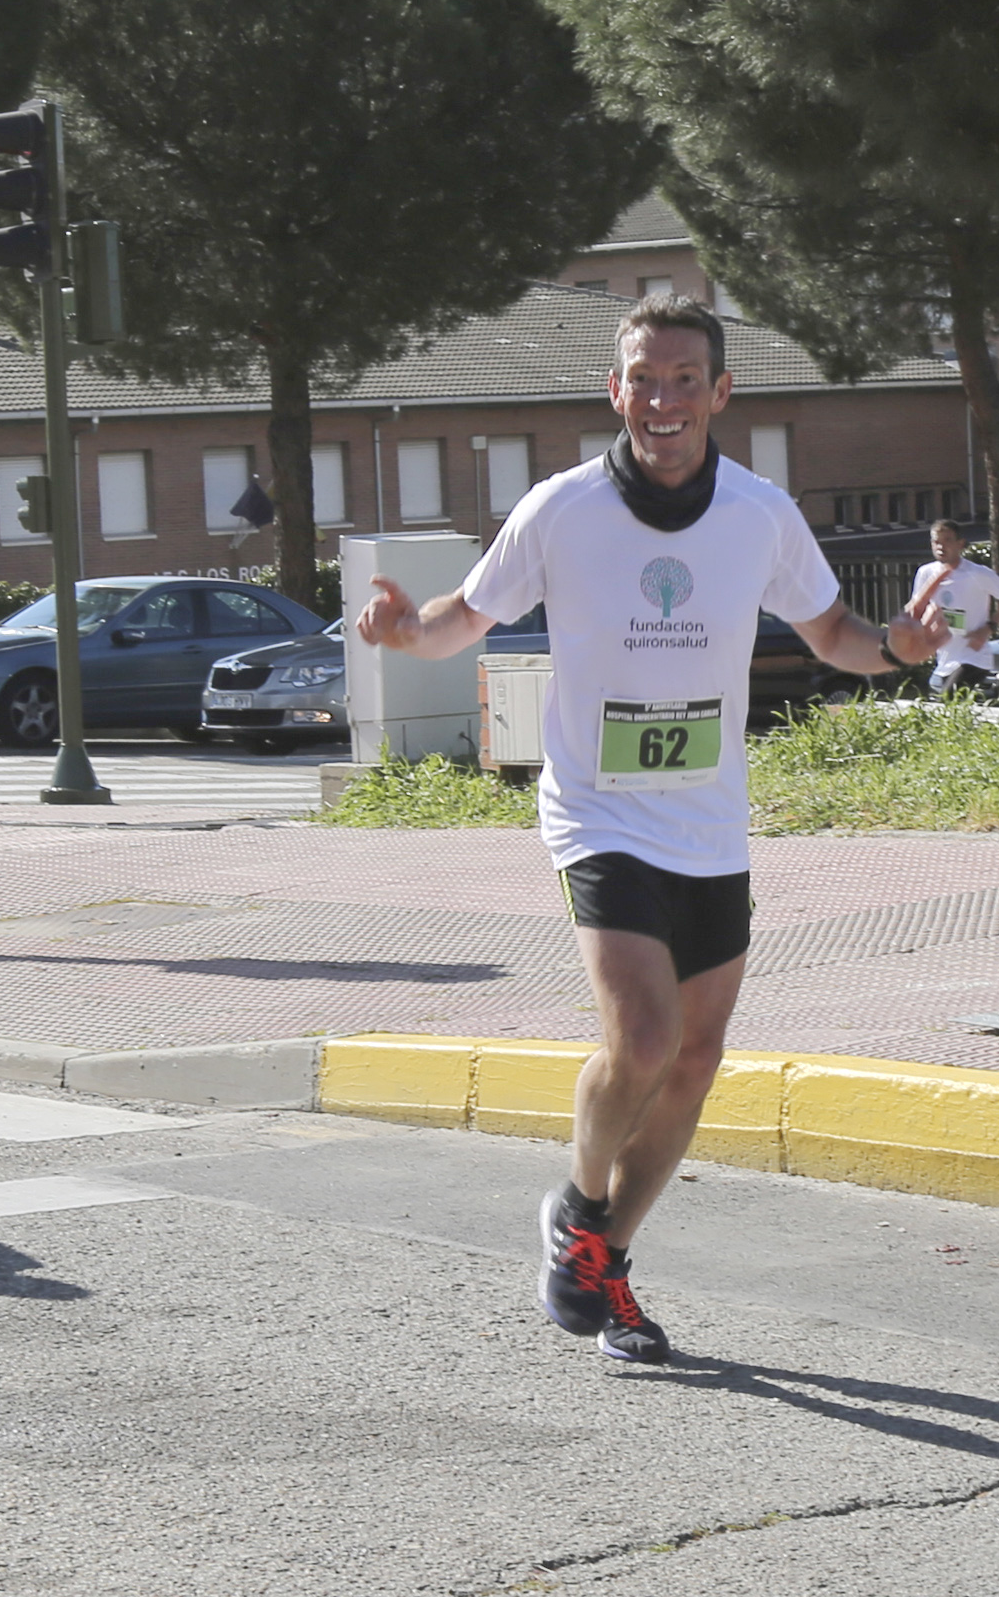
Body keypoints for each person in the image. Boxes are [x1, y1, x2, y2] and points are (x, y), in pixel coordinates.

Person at [354, 294, 946, 1364]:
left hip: (708, 819)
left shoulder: (761, 513)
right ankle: (580, 1208)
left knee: (695, 1058)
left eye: (684, 380)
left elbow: (834, 633)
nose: (662, 400)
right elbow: (463, 619)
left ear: (720, 393)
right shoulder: (561, 509)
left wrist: (898, 648)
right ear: (614, 390)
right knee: (642, 1038)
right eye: (643, 378)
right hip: (599, 811)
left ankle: (606, 1259)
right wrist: (405, 630)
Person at [908, 518, 999, 694]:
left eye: (947, 540)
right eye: (936, 542)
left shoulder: (978, 573)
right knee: (939, 705)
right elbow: (917, 610)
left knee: (949, 698)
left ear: (960, 544)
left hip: (973, 657)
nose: (941, 547)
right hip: (944, 661)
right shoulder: (925, 573)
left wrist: (989, 628)